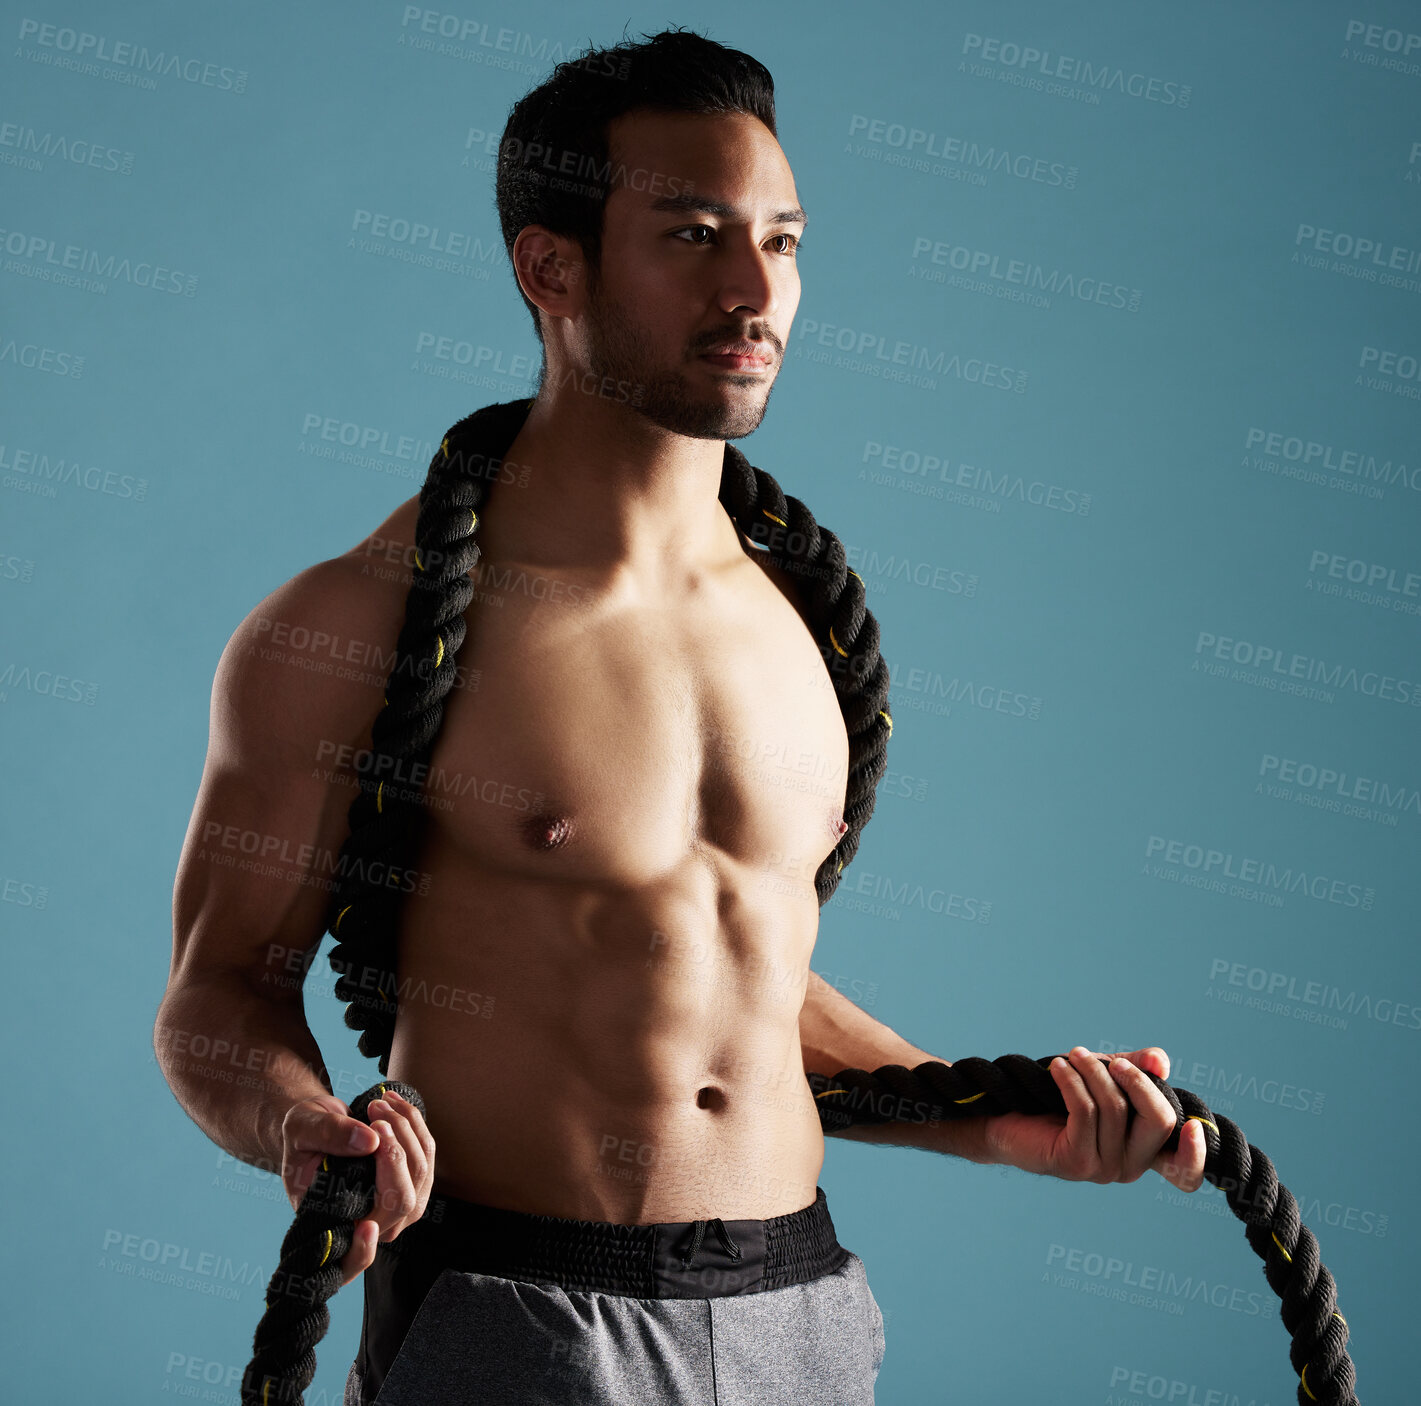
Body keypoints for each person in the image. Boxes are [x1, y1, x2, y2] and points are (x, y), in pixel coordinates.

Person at [154, 27, 1207, 1405]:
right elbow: (218, 992)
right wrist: (303, 1124)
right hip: (517, 1317)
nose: (753, 287)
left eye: (782, 240)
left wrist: (989, 1119)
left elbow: (724, 969)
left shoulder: (802, 621)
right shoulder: (352, 624)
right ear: (552, 267)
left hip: (803, 1308)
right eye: (694, 235)